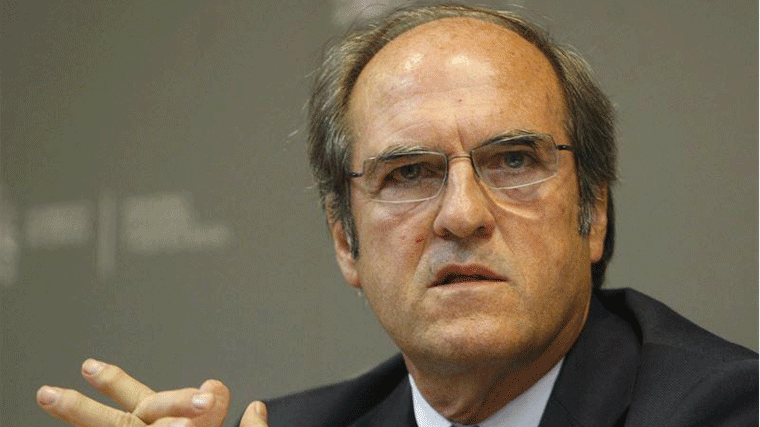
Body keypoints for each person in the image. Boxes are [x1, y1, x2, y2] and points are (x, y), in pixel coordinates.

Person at [36, 4, 757, 427]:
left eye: (513, 161)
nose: (462, 215)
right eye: (409, 173)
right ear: (344, 239)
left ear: (593, 210)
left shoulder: (727, 409)